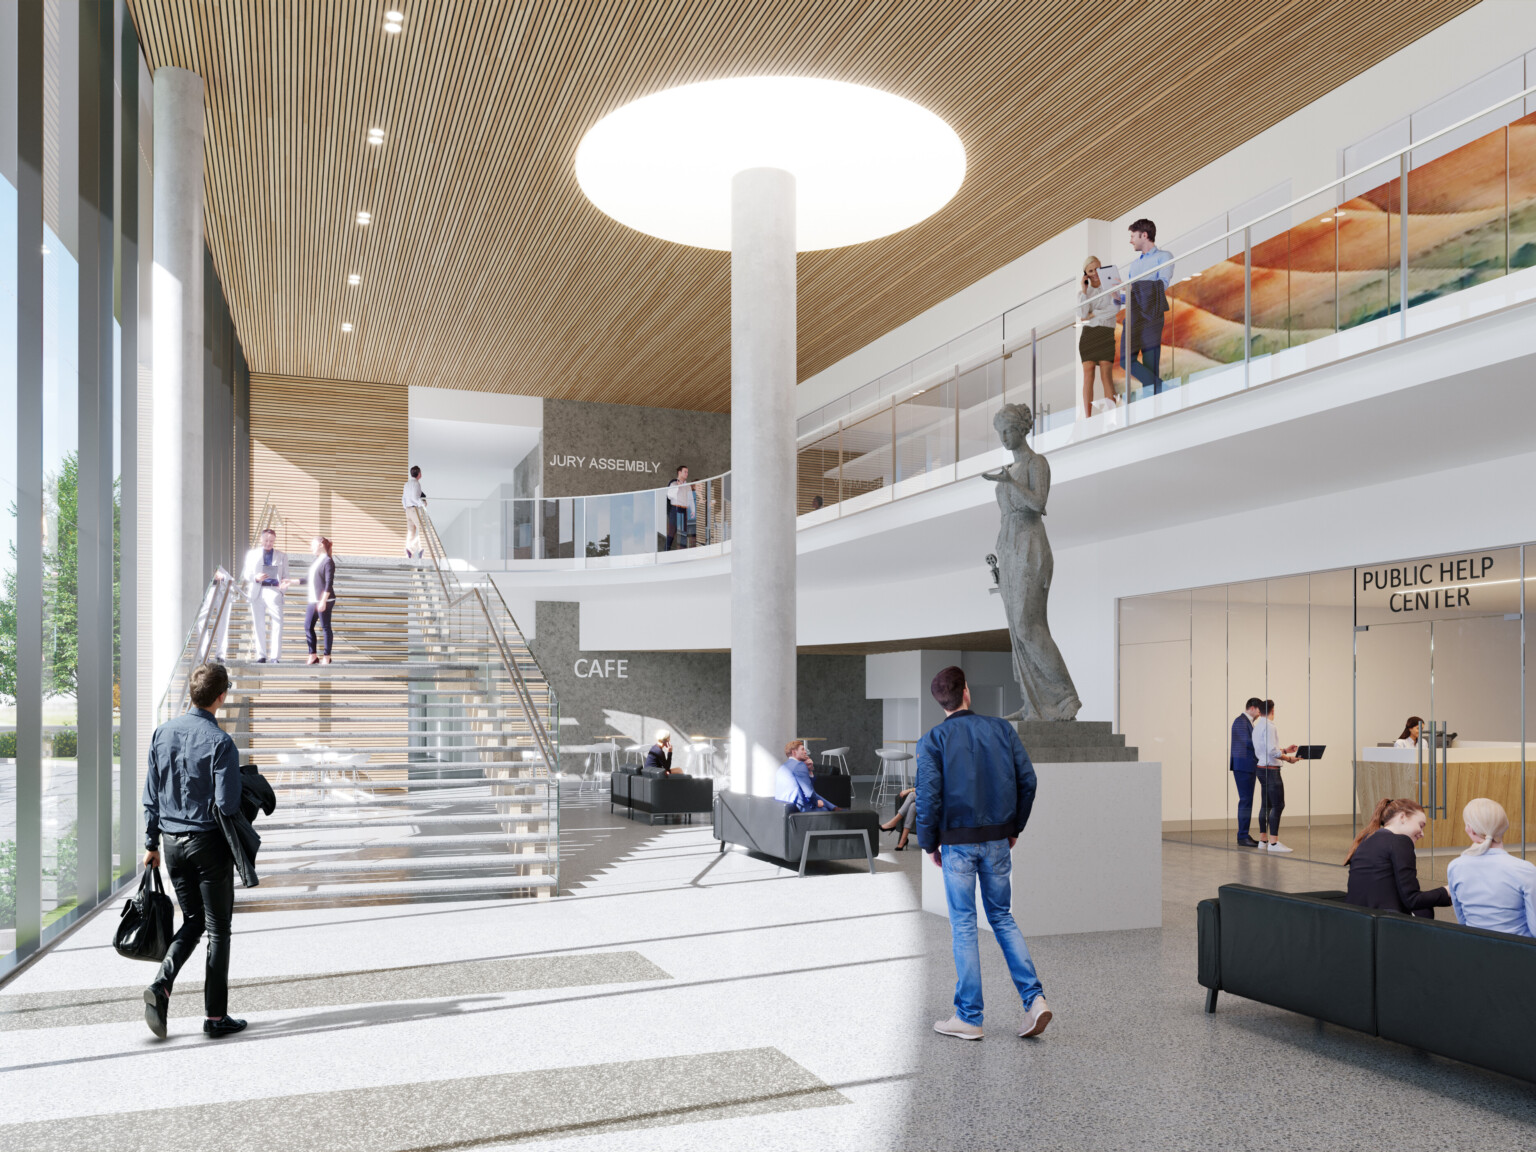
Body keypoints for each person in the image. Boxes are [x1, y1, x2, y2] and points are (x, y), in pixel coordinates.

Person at [918, 665, 1051, 1041]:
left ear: (939, 702)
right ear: (967, 693)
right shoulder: (1001, 729)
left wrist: (929, 843)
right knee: (1002, 918)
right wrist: (1014, 828)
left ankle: (970, 1018)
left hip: (956, 843)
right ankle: (1035, 1000)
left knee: (963, 924)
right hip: (997, 839)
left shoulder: (932, 740)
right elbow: (1028, 780)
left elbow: (928, 797)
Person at [140, 661, 247, 1038]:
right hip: (207, 845)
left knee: (194, 920)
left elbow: (150, 795)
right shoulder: (220, 743)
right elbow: (227, 803)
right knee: (218, 929)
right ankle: (216, 1018)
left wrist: (150, 844)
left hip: (170, 845)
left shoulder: (161, 733)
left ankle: (161, 984)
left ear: (192, 692)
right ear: (221, 696)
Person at [1345, 797, 1452, 918]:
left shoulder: (1366, 839)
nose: (1422, 834)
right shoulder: (1400, 842)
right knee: (1424, 911)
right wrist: (1448, 890)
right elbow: (1413, 900)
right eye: (1421, 825)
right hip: (1385, 922)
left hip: (1356, 918)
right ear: (1402, 817)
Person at [1446, 798, 1536, 937]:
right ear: (1504, 826)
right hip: (1519, 953)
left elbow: (1462, 920)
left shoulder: (1455, 867)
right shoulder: (1525, 870)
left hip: (1476, 948)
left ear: (1470, 830)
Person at [1118, 218, 1173, 395]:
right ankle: (1164, 389)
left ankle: (1152, 407)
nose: (1130, 240)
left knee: (1150, 363)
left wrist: (1135, 287)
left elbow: (1161, 286)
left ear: (1144, 235)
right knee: (1126, 360)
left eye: (1133, 236)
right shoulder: (1134, 265)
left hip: (1152, 313)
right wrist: (1117, 296)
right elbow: (1133, 294)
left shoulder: (1164, 257)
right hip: (1134, 314)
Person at [238, 527, 294, 662]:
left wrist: (282, 588)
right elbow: (246, 574)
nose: (269, 543)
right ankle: (261, 655)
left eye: (272, 541)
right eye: (266, 540)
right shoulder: (251, 554)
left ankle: (275, 656)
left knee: (277, 623)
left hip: (273, 590)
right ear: (261, 539)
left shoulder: (282, 556)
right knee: (258, 624)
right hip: (257, 590)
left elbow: (286, 576)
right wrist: (256, 577)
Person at [1251, 699, 1298, 853]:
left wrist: (1284, 750)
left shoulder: (1257, 726)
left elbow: (1267, 749)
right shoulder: (1270, 726)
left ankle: (1263, 840)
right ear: (1272, 711)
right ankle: (1273, 843)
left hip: (1261, 768)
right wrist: (1289, 758)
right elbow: (1272, 752)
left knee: (1266, 805)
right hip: (1271, 770)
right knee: (1278, 805)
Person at [1076, 256, 1118, 416]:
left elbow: (1114, 309)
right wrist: (1084, 290)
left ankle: (1113, 416)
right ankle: (1087, 417)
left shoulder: (1112, 286)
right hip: (1089, 335)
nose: (1094, 273)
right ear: (1085, 274)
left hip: (1106, 333)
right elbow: (1081, 313)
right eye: (1090, 271)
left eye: (1097, 269)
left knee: (1106, 376)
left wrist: (1093, 314)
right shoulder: (1083, 293)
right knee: (1088, 374)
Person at [1229, 698, 1263, 848]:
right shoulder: (1240, 721)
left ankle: (1244, 834)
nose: (1261, 713)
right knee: (1245, 801)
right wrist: (1265, 745)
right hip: (1243, 766)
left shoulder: (1246, 722)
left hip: (1247, 766)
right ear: (1253, 708)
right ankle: (1242, 836)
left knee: (1247, 801)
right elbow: (1249, 743)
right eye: (1260, 710)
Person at [774, 739, 840, 812]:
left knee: (820, 801)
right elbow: (809, 793)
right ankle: (836, 810)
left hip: (783, 806)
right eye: (802, 750)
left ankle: (834, 808)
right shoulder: (799, 765)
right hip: (797, 807)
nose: (805, 752)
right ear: (794, 752)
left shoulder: (782, 767)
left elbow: (808, 790)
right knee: (826, 811)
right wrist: (816, 803)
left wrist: (809, 770)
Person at [305, 536, 336, 665]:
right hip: (313, 599)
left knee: (325, 627)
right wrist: (291, 581)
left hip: (325, 599)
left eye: (313, 544)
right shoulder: (316, 561)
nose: (311, 547)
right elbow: (308, 579)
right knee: (308, 626)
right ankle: (313, 655)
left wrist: (323, 601)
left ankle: (327, 657)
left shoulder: (328, 561)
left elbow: (329, 583)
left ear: (320, 545)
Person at [665, 465, 694, 550]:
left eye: (687, 472)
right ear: (679, 472)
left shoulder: (688, 486)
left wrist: (693, 510)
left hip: (685, 509)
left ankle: (682, 553)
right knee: (671, 532)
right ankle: (665, 552)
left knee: (684, 533)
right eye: (685, 472)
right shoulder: (673, 483)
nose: (687, 474)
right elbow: (669, 496)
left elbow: (691, 499)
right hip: (675, 509)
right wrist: (678, 487)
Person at [879, 786, 916, 851]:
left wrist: (909, 790)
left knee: (912, 795)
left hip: (936, 797)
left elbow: (928, 788)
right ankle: (903, 839)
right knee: (913, 806)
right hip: (927, 795)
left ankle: (892, 823)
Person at [403, 465, 428, 558]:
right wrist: (423, 503)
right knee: (423, 530)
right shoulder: (416, 484)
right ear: (418, 473)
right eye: (420, 472)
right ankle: (413, 548)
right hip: (414, 509)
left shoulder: (406, 484)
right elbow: (415, 497)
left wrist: (405, 507)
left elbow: (403, 498)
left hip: (408, 510)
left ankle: (409, 553)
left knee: (411, 531)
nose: (421, 474)